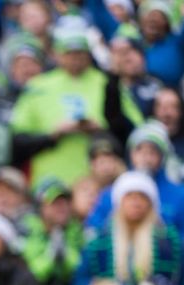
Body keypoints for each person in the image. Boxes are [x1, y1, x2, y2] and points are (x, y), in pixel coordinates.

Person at [10, 26, 142, 187]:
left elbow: (135, 130)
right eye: (69, 53)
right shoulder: (38, 86)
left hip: (100, 180)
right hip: (49, 181)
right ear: (57, 54)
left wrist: (100, 130)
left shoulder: (106, 83)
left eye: (80, 53)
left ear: (88, 55)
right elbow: (18, 139)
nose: (75, 58)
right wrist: (53, 135)